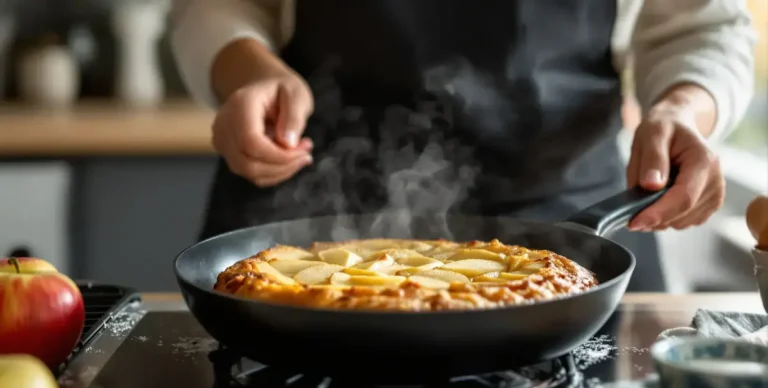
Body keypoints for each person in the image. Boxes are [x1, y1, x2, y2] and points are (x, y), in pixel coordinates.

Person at [170, 0, 755, 292]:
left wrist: (684, 109)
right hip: (301, 214)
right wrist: (248, 72)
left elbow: (703, 23)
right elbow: (212, 7)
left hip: (568, 224)